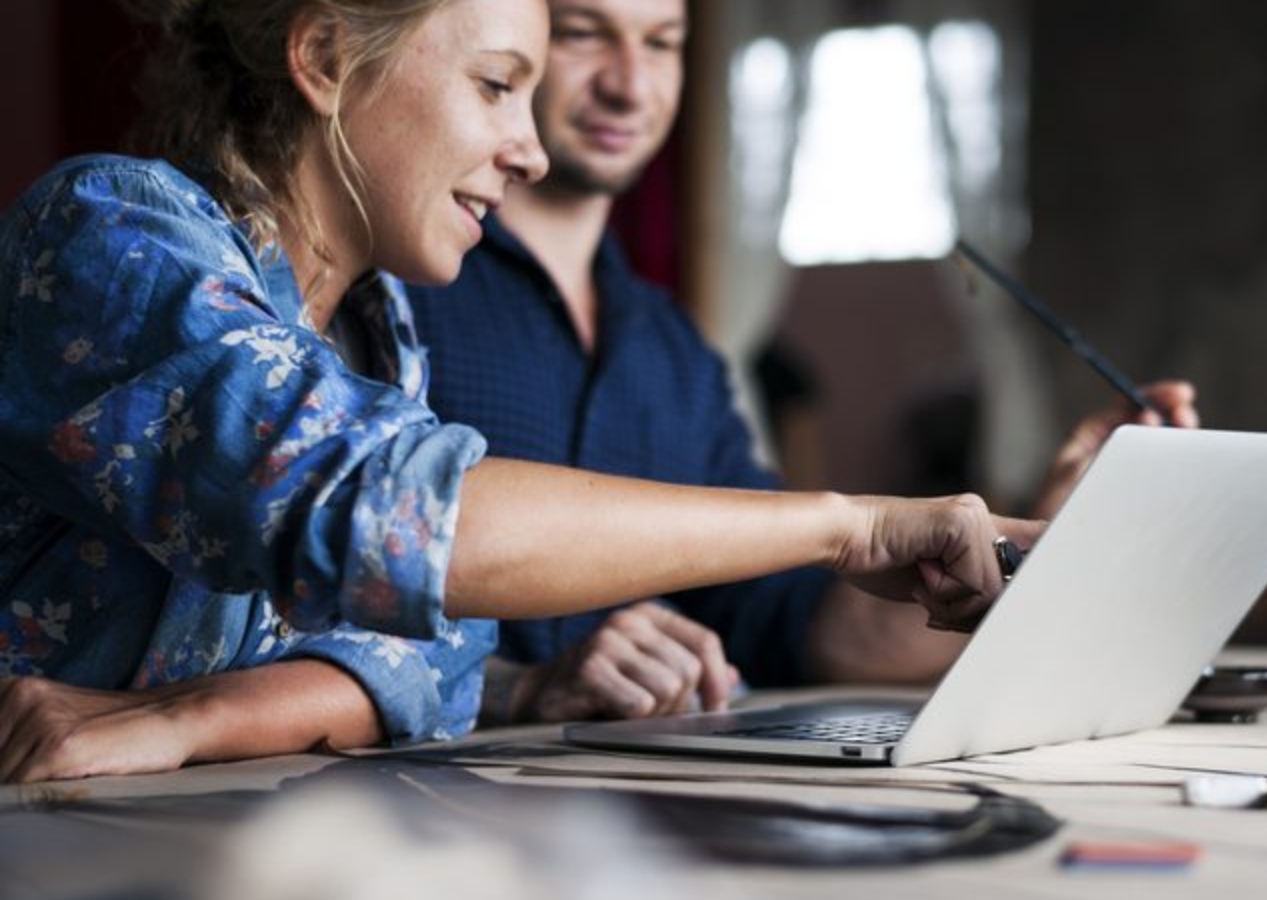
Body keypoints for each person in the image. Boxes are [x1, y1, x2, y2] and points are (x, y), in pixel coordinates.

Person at [0, 0, 1043, 784]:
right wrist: (848, 525)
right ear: (322, 60)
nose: (530, 147)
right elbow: (402, 524)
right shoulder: (112, 236)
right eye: (496, 85)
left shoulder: (381, 331)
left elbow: (435, 654)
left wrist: (196, 719)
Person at [406, 0, 1200, 725]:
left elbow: (793, 623)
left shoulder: (674, 348)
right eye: (585, 35)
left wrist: (1043, 545)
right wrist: (518, 685)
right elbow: (320, 576)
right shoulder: (403, 288)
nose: (630, 84)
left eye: (662, 43)